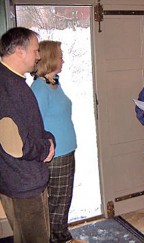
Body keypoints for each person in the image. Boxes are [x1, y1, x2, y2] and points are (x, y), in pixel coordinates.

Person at [0, 27, 55, 242]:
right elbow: (15, 145)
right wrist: (46, 148)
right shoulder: (7, 87)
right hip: (23, 183)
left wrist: (48, 138)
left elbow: (28, 128)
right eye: (35, 50)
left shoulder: (13, 81)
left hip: (17, 179)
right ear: (19, 52)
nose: (39, 56)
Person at [31, 40, 84, 243]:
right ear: (51, 58)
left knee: (63, 200)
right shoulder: (39, 88)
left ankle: (62, 236)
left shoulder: (52, 83)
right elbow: (35, 125)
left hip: (65, 151)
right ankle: (59, 239)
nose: (63, 59)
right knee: (57, 202)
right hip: (56, 155)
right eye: (60, 55)